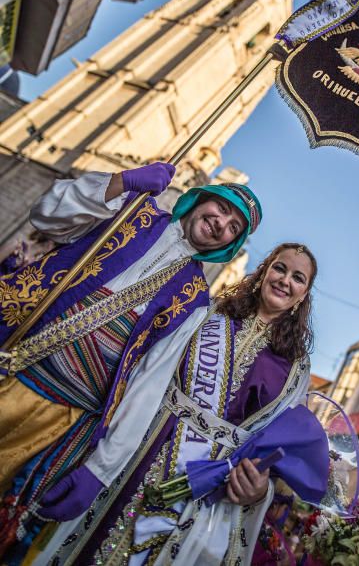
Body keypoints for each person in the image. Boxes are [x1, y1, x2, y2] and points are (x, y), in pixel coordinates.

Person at [0, 162, 262, 557]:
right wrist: (120, 182)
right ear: (201, 200)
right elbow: (48, 215)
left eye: (234, 227)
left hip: (60, 420)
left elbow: (146, 387)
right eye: (223, 208)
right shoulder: (129, 210)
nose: (222, 223)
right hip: (9, 359)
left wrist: (98, 472)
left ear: (229, 244)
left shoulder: (193, 302)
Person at [25, 242, 324, 566]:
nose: (285, 280)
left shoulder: (296, 369)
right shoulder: (209, 314)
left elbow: (273, 447)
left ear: (303, 296)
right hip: (147, 449)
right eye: (279, 268)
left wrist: (258, 489)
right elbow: (150, 379)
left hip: (207, 486)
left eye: (298, 277)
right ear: (265, 271)